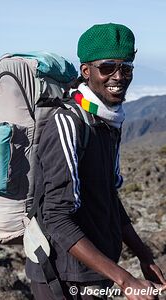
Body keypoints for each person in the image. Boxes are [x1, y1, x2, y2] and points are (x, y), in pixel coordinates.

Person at [26, 23, 166, 300]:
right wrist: (124, 279)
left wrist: (144, 255)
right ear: (86, 71)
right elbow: (56, 217)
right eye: (107, 67)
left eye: (126, 69)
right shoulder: (68, 123)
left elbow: (108, 196)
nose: (118, 76)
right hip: (62, 276)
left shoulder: (108, 121)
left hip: (95, 270)